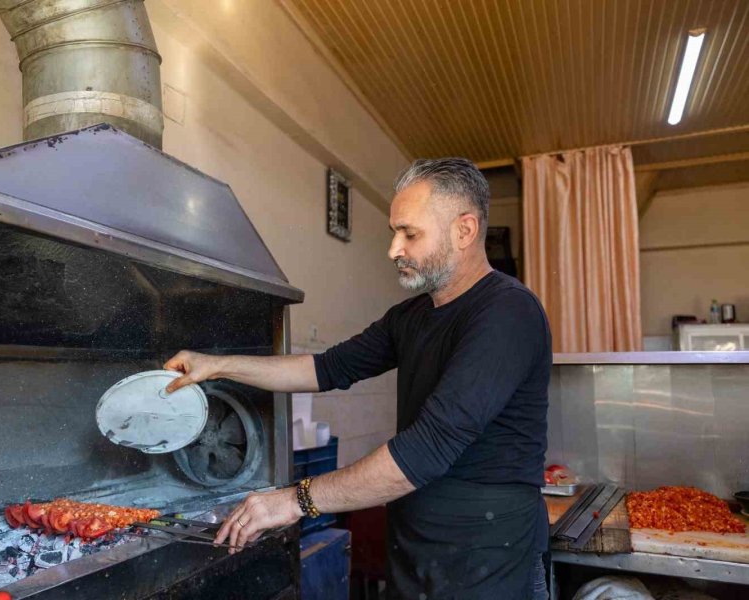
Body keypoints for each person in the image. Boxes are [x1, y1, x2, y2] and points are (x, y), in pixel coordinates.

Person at [164, 158, 552, 600]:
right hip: (416, 552)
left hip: (491, 558)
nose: (393, 249)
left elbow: (426, 451)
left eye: (410, 233)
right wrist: (216, 365)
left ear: (464, 231)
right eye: (395, 232)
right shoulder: (411, 317)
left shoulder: (507, 313)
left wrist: (294, 500)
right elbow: (324, 368)